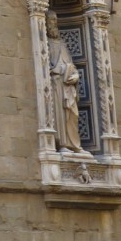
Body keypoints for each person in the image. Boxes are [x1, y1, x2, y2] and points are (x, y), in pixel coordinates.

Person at [46, 11, 82, 152]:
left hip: (68, 85)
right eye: (51, 20)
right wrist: (58, 71)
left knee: (73, 114)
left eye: (55, 20)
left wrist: (76, 75)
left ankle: (74, 144)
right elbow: (45, 66)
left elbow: (71, 64)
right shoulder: (45, 43)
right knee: (60, 114)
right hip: (56, 83)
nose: (54, 23)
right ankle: (62, 144)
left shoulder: (62, 44)